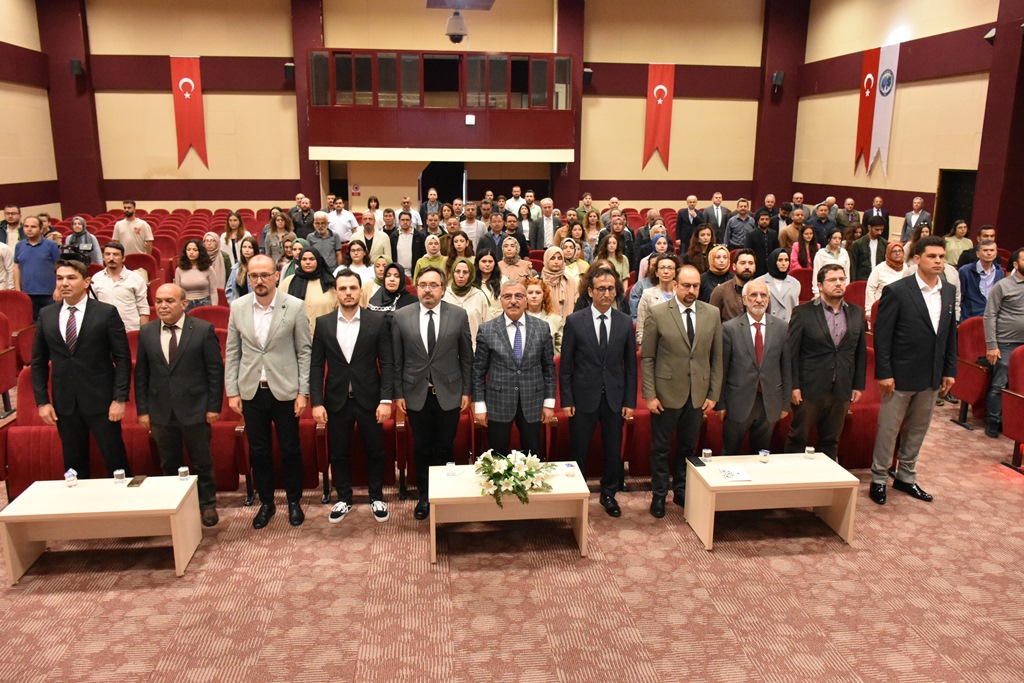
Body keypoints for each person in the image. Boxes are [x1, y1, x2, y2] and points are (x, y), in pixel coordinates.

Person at [225, 254, 312, 528]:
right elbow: (232, 351)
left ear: (276, 275)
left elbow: (304, 351)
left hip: (285, 390)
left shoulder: (294, 306)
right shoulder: (238, 307)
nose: (259, 280)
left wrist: (303, 392)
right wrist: (232, 391)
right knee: (259, 451)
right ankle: (266, 503)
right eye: (254, 275)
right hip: (251, 391)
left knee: (290, 449)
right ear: (248, 278)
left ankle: (294, 501)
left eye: (264, 275)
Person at [869, 236, 957, 506]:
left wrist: (949, 370)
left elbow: (949, 334)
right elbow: (882, 336)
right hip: (899, 374)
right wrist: (884, 372)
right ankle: (879, 478)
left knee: (918, 429)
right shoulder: (897, 290)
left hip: (931, 374)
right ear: (917, 259)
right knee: (889, 429)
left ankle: (906, 477)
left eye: (941, 257)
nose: (938, 261)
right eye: (932, 256)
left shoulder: (949, 290)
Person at [31, 259, 131, 479]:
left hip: (102, 401)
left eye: (71, 278)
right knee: (74, 465)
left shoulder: (106, 312)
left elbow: (122, 358)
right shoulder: (47, 314)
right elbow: (38, 362)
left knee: (116, 461)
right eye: (60, 278)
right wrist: (42, 402)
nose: (64, 283)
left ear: (86, 282)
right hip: (65, 403)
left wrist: (119, 398)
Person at [135, 283, 224, 527]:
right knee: (169, 462)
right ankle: (176, 505)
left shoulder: (203, 330)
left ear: (184, 304)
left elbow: (215, 371)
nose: (162, 306)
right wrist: (143, 410)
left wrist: (213, 406)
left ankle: (207, 504)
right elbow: (141, 374)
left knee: (201, 461)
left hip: (196, 407)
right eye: (158, 301)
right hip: (160, 409)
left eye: (169, 301)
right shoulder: (147, 332)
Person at [310, 269, 393, 524]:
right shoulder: (323, 323)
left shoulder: (376, 322)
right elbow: (316, 365)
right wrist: (316, 402)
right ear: (336, 292)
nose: (348, 293)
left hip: (370, 398)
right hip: (336, 400)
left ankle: (376, 496)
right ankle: (343, 498)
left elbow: (387, 363)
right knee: (339, 452)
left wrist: (386, 400)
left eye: (353, 288)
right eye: (343, 288)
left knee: (375, 450)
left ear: (360, 291)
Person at [641, 264, 723, 517]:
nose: (691, 291)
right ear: (675, 285)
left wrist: (713, 394)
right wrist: (650, 395)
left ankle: (681, 490)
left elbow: (717, 357)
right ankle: (659, 494)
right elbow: (648, 357)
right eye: (686, 285)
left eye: (696, 286)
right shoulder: (657, 313)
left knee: (688, 448)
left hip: (697, 394)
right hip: (665, 394)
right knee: (661, 448)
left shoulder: (712, 313)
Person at [393, 267, 473, 520]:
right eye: (423, 285)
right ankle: (425, 497)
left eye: (433, 285)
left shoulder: (458, 315)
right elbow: (397, 360)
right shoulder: (401, 316)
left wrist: (467, 391)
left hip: (449, 391)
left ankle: (446, 495)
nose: (428, 290)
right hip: (415, 393)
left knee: (445, 446)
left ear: (443, 289)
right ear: (416, 287)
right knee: (422, 448)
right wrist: (398, 394)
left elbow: (466, 357)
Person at [560, 264, 637, 518]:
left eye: (611, 289)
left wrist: (630, 401)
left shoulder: (624, 322)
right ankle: (577, 494)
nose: (607, 293)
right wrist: (567, 399)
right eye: (601, 289)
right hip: (583, 397)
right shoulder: (575, 321)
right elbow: (566, 366)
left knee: (613, 451)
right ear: (590, 292)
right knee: (579, 449)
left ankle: (609, 494)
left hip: (614, 397)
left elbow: (630, 367)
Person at [785, 263, 866, 461]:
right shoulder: (803, 312)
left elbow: (859, 352)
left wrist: (858, 384)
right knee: (798, 437)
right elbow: (791, 353)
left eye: (841, 279)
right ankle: (791, 476)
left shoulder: (856, 313)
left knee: (831, 441)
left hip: (841, 388)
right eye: (832, 280)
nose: (838, 284)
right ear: (820, 285)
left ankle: (825, 479)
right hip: (809, 388)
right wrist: (793, 386)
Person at [473, 279, 556, 457]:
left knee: (533, 457)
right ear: (501, 300)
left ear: (526, 300)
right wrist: (479, 405)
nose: (513, 301)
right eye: (507, 296)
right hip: (498, 402)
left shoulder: (542, 328)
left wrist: (549, 403)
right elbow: (478, 372)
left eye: (518, 296)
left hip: (533, 402)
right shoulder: (487, 330)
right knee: (496, 458)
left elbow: (549, 368)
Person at [717, 280, 790, 455]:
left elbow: (786, 367)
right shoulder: (729, 328)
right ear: (744, 300)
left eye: (763, 295)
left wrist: (785, 403)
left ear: (768, 299)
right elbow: (722, 369)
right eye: (753, 295)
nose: (759, 299)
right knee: (729, 453)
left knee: (761, 455)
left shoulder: (782, 327)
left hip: (769, 402)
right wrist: (720, 404)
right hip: (737, 402)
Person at [982, 248, 1024, 438]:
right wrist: (992, 345)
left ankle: (1014, 423)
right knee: (1000, 383)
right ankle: (993, 421)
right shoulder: (1003, 286)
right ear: (1015, 264)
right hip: (1005, 344)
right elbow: (989, 316)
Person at [90, 241, 150, 332]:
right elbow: (92, 308)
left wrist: (144, 333)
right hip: (104, 330)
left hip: (130, 329)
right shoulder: (96, 278)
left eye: (116, 255)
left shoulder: (136, 279)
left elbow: (144, 309)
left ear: (123, 258)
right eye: (107, 254)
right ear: (103, 257)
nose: (111, 258)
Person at [281, 247, 339, 335]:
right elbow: (279, 309)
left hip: (326, 335)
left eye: (312, 259)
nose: (308, 262)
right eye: (304, 259)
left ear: (318, 261)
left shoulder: (329, 282)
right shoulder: (288, 282)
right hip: (297, 336)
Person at [14, 215, 62, 319]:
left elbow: (60, 267)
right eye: (26, 226)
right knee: (33, 324)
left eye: (33, 226)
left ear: (41, 229)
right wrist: (18, 289)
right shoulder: (19, 246)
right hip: (27, 294)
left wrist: (58, 289)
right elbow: (17, 267)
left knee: (52, 322)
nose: (29, 229)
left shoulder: (51, 245)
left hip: (49, 294)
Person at [443, 258, 492, 349]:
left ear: (471, 274)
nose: (461, 276)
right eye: (458, 271)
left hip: (475, 349)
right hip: (449, 350)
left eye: (465, 272)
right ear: (453, 273)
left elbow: (488, 326)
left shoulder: (479, 296)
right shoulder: (444, 295)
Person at [636, 254, 680, 345]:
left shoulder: (680, 294)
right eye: (662, 268)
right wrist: (642, 346)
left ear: (675, 272)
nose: (666, 271)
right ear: (656, 272)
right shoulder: (647, 295)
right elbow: (641, 326)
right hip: (654, 343)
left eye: (670, 268)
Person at [959, 240, 1003, 321]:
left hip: (992, 317)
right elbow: (959, 296)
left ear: (996, 253)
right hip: (970, 317)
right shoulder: (965, 271)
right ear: (978, 254)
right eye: (985, 250)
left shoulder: (999, 271)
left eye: (992, 250)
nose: (989, 253)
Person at [864, 242, 908, 320]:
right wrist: (869, 310)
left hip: (902, 308)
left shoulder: (906, 267)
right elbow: (870, 289)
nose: (898, 253)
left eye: (900, 251)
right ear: (888, 253)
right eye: (894, 251)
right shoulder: (879, 269)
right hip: (883, 307)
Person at [710, 249, 757, 321]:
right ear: (734, 266)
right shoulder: (720, 291)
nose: (747, 267)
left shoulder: (762, 291)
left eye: (750, 263)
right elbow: (712, 320)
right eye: (742, 263)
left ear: (755, 267)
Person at [757, 248, 800, 323]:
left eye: (786, 260)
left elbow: (795, 308)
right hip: (768, 325)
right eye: (780, 260)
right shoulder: (759, 282)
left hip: (788, 325)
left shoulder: (795, 283)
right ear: (773, 261)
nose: (784, 263)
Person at [174, 239, 219, 310]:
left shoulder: (208, 269)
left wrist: (214, 309)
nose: (191, 252)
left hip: (204, 303)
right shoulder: (179, 270)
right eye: (188, 250)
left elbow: (213, 291)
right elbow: (178, 292)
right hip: (186, 304)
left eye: (195, 250)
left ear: (200, 252)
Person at [524, 277, 564, 355]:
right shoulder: (518, 318)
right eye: (530, 292)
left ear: (544, 295)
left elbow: (560, 348)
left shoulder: (555, 319)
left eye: (538, 292)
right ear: (525, 295)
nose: (534, 296)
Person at [539, 245, 578, 319]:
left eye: (559, 258)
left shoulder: (570, 281)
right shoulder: (539, 281)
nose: (556, 262)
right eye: (552, 258)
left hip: (568, 322)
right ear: (546, 260)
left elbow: (577, 306)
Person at [812, 228, 851, 297]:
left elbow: (847, 273)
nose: (837, 240)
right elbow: (816, 274)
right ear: (829, 239)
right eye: (834, 238)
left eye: (839, 238)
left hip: (840, 288)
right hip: (827, 287)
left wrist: (846, 288)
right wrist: (817, 293)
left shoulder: (844, 253)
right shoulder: (821, 254)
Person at [849, 216, 888, 281]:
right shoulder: (857, 244)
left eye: (881, 230)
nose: (880, 232)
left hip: (879, 279)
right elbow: (853, 266)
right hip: (862, 280)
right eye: (877, 230)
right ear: (869, 227)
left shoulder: (884, 243)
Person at [390, 210, 426, 277]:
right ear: (399, 221)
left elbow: (423, 254)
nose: (405, 222)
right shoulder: (394, 236)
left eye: (407, 220)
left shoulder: (420, 236)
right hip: (398, 273)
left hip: (415, 273)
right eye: (403, 220)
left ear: (411, 221)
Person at [744, 210, 778, 277]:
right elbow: (747, 251)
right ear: (758, 221)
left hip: (770, 266)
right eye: (762, 219)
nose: (764, 221)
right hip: (757, 266)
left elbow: (776, 250)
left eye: (767, 219)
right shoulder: (751, 234)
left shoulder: (773, 233)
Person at [225, 235, 259, 303]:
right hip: (239, 304)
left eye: (250, 247)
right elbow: (229, 290)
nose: (247, 250)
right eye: (244, 247)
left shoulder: (260, 267)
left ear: (255, 250)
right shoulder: (236, 268)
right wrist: (233, 304)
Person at [474, 249, 503, 318]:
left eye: (490, 261)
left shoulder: (503, 280)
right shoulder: (471, 281)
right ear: (478, 263)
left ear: (495, 263)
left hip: (498, 318)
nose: (487, 264)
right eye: (484, 261)